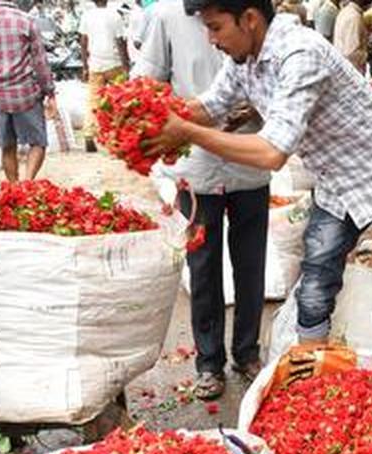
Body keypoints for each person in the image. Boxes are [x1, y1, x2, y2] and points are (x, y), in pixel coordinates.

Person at [146, 0, 372, 345]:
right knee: (315, 287)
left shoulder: (300, 53)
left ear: (249, 19)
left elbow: (272, 151)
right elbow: (212, 105)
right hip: (335, 184)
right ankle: (310, 368)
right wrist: (154, 118)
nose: (210, 39)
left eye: (216, 27)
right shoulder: (243, 61)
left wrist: (186, 132)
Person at [132, 0, 270, 398]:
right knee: (203, 268)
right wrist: (166, 120)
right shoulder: (168, 16)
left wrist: (256, 106)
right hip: (196, 169)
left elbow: (276, 86)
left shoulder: (250, 11)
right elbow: (148, 82)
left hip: (248, 160)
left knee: (250, 266)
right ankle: (209, 363)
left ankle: (246, 352)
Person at [0, 0, 58, 182]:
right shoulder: (27, 21)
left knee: (7, 146)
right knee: (38, 142)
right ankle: (28, 183)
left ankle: (14, 188)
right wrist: (50, 92)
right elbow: (40, 62)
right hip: (26, 93)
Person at [80, 0, 131, 152]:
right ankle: (118, 137)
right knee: (119, 100)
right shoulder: (115, 15)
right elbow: (121, 41)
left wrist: (85, 66)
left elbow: (83, 42)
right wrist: (126, 65)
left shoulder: (87, 16)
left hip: (95, 64)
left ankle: (89, 133)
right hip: (114, 64)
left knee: (93, 100)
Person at [334, 0, 367, 71]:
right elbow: (351, 51)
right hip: (352, 68)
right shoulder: (354, 16)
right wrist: (365, 55)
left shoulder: (346, 11)